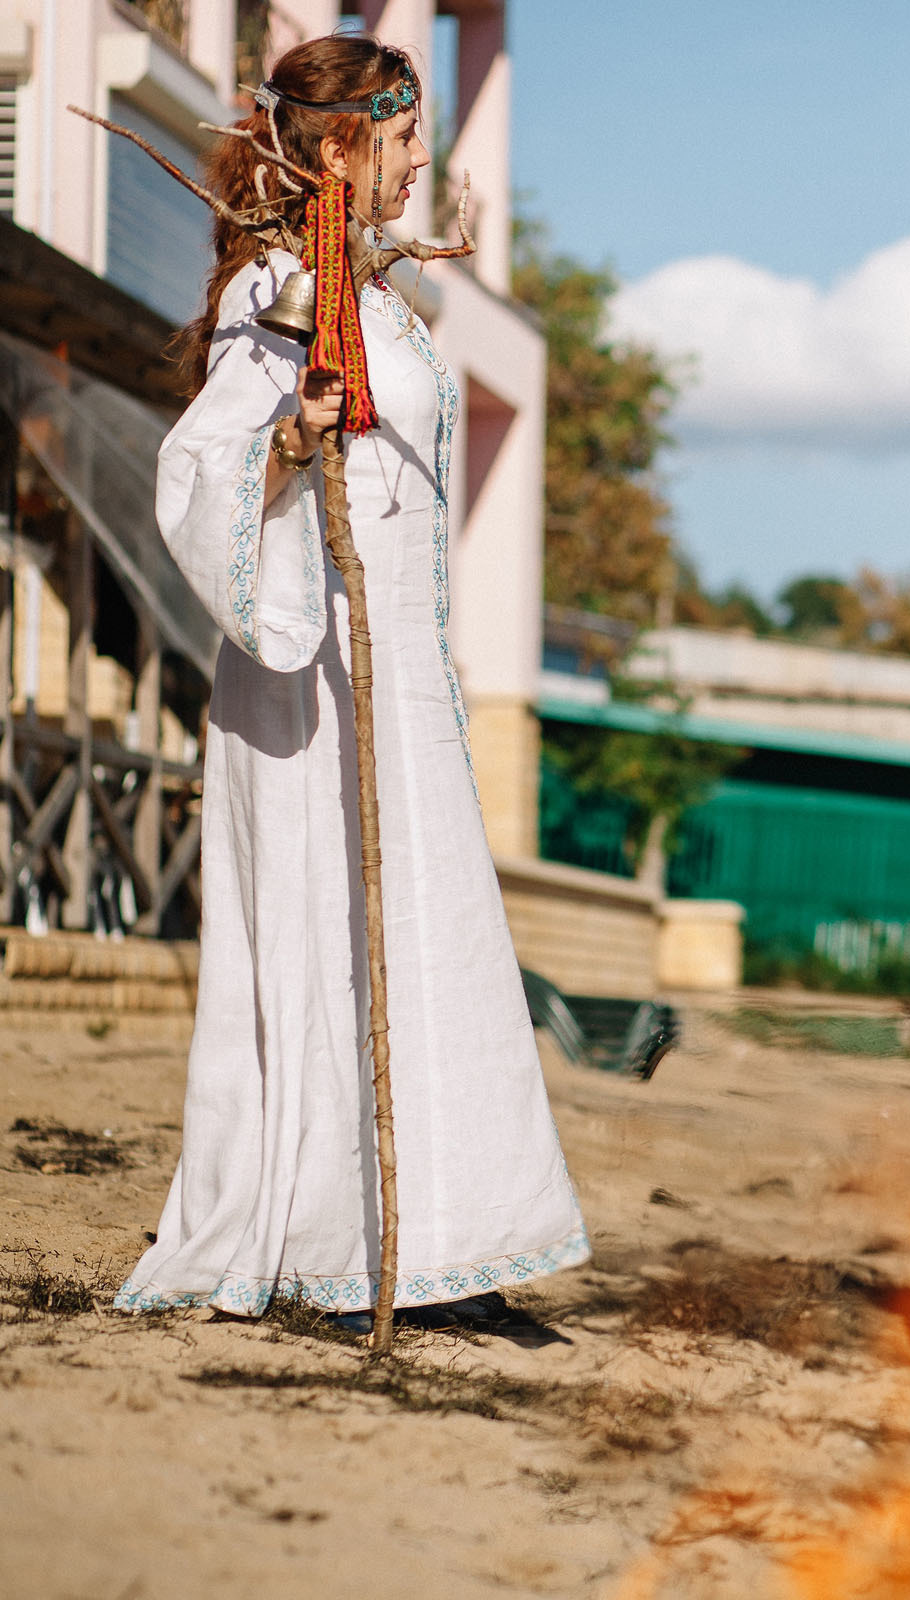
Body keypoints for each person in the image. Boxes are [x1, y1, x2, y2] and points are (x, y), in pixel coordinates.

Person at [114, 36, 587, 1326]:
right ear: (340, 145)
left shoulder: (367, 288)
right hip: (316, 682)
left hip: (402, 679)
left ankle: (432, 1237)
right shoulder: (275, 292)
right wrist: (287, 441)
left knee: (423, 940)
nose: (422, 158)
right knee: (331, 938)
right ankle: (336, 1237)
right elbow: (195, 473)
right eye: (404, 135)